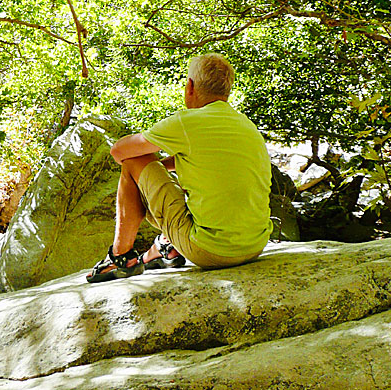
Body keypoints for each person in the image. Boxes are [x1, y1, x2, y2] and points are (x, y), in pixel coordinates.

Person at [86, 53, 272, 283]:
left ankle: (121, 257)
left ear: (190, 86)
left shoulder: (187, 122)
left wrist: (148, 168)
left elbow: (120, 151)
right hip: (255, 245)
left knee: (132, 162)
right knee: (201, 188)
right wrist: (158, 168)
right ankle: (167, 247)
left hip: (211, 252)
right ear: (227, 91)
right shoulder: (246, 125)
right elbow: (206, 160)